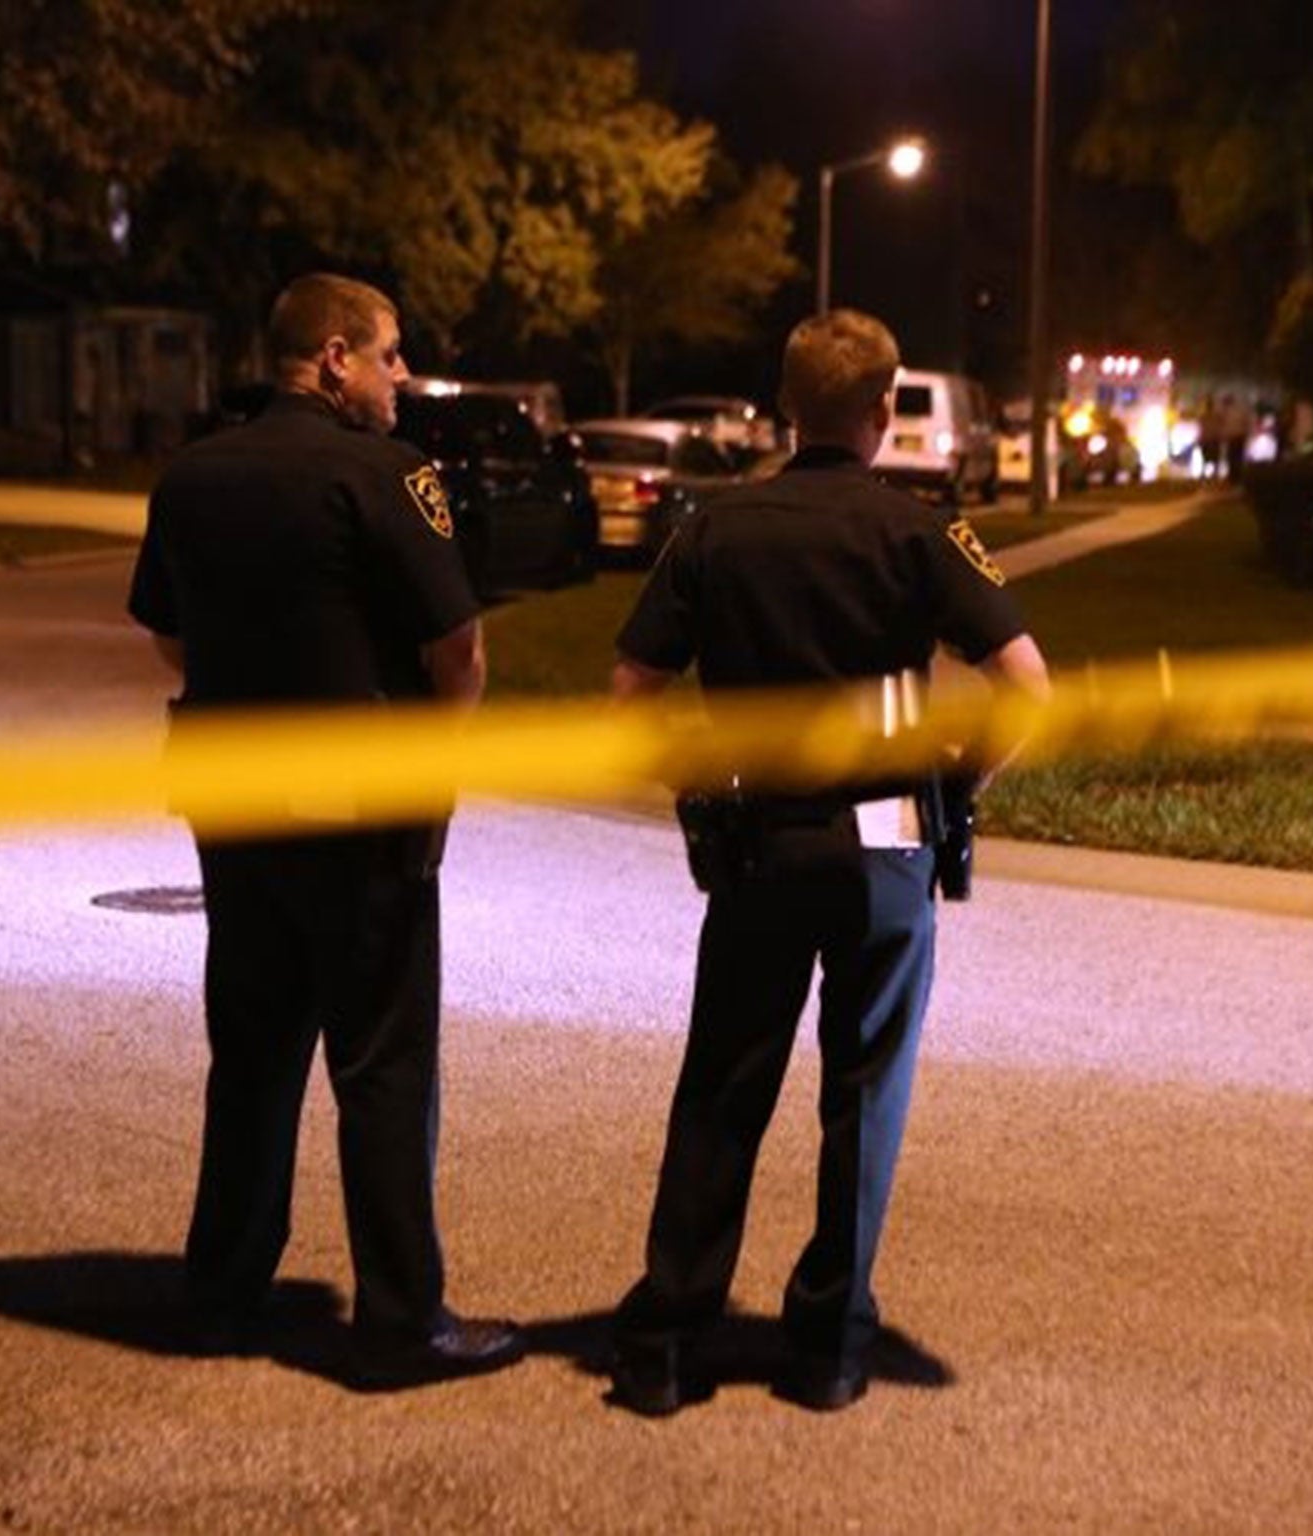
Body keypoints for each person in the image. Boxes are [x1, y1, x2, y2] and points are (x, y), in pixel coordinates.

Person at [605, 309, 1051, 1416]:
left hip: (759, 841)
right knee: (863, 1094)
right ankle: (827, 1347)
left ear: (786, 403)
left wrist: (700, 785)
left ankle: (668, 1334)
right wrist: (958, 787)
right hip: (885, 841)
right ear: (882, 408)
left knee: (722, 1084)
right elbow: (1027, 686)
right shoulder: (918, 531)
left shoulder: (715, 528)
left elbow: (632, 694)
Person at [127, 272, 522, 1384]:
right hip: (359, 814)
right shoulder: (383, 476)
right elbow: (461, 654)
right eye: (390, 355)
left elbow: (169, 641)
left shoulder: (193, 474)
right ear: (335, 357)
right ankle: (399, 1321)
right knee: (382, 1065)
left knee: (250, 1054)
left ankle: (219, 1297)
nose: (402, 378)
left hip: (233, 799)